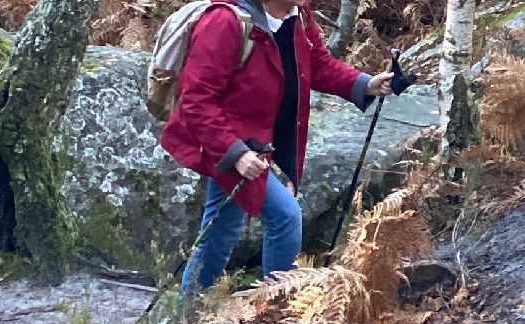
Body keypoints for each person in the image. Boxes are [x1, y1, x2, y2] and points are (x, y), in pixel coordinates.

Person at [158, 0, 396, 293]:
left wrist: (365, 83)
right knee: (285, 217)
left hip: (256, 143)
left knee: (221, 231)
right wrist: (236, 153)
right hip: (227, 142)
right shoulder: (224, 23)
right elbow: (196, 100)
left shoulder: (297, 14)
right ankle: (275, 308)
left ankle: (185, 322)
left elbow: (316, 65)